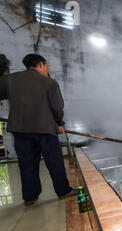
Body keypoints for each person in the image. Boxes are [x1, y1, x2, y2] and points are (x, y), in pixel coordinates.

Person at [0, 54, 77, 205]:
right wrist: (60, 123)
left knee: (27, 163)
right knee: (54, 161)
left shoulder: (9, 80)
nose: (47, 70)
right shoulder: (49, 82)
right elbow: (57, 107)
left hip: (20, 130)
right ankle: (63, 191)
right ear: (42, 64)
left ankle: (30, 197)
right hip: (45, 129)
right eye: (46, 66)